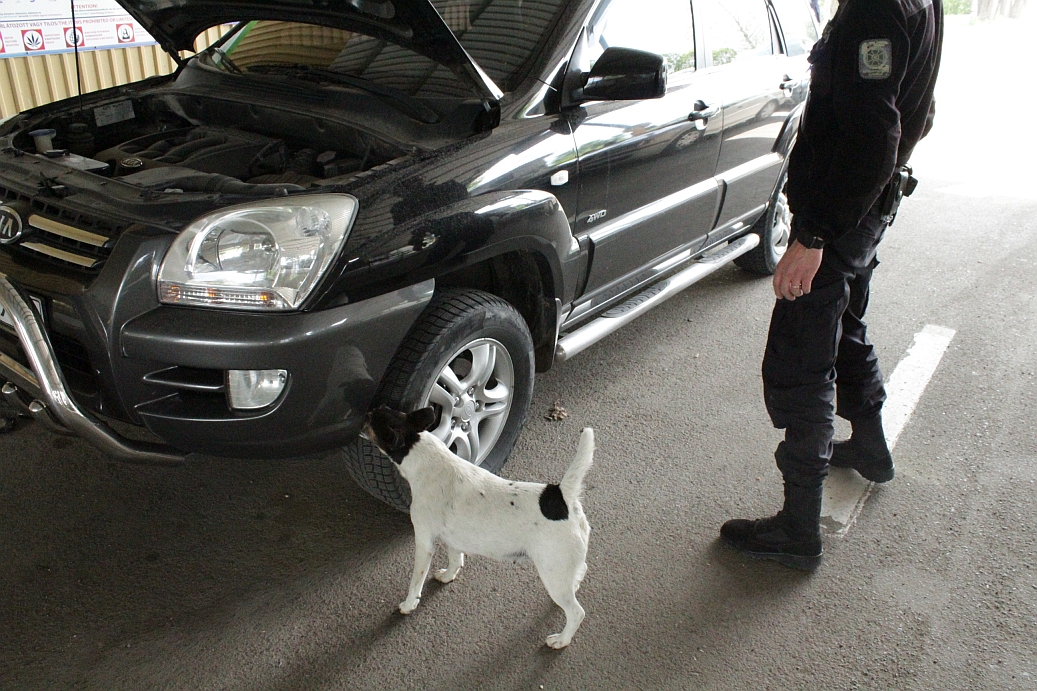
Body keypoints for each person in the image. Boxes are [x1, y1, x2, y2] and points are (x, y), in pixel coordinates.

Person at [721, 0, 943, 570]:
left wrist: (815, 234)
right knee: (845, 324)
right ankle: (869, 443)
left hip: (842, 212)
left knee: (803, 355)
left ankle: (798, 526)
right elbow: (920, 109)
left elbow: (876, 130)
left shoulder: (876, 6)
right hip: (867, 204)